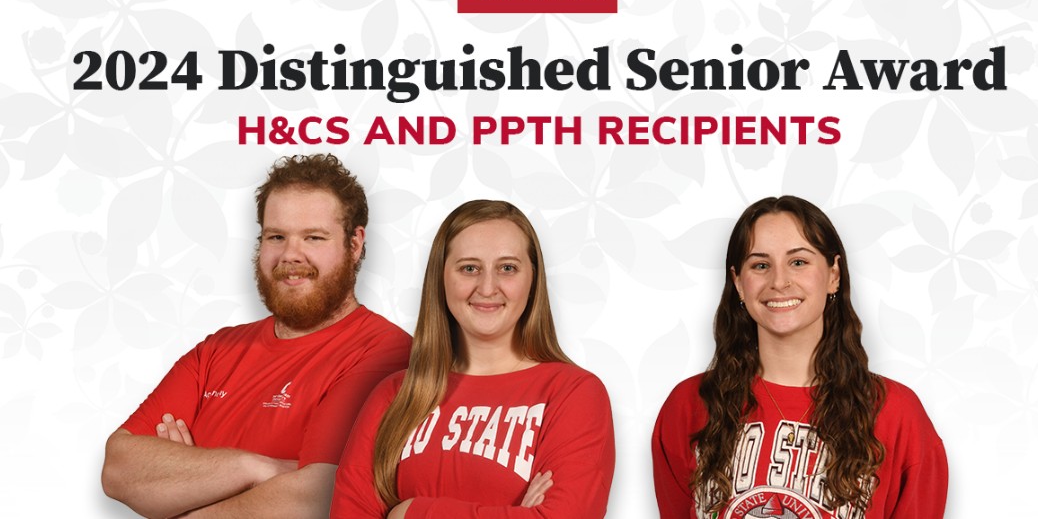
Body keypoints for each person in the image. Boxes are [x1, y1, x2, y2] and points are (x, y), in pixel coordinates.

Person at [101, 154, 412, 518]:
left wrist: (185, 479)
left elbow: (318, 497)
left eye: (313, 237)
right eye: (276, 236)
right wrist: (254, 469)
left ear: (355, 243)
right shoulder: (217, 350)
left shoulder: (387, 354)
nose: (290, 255)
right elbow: (118, 468)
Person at [652, 196, 947, 519]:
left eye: (798, 262)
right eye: (760, 265)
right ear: (738, 283)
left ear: (834, 274)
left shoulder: (896, 413)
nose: (779, 282)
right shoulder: (689, 405)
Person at [331, 199, 615, 518]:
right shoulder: (395, 396)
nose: (488, 287)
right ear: (442, 278)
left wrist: (410, 512)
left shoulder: (573, 394)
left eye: (507, 268)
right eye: (469, 268)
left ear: (533, 280)